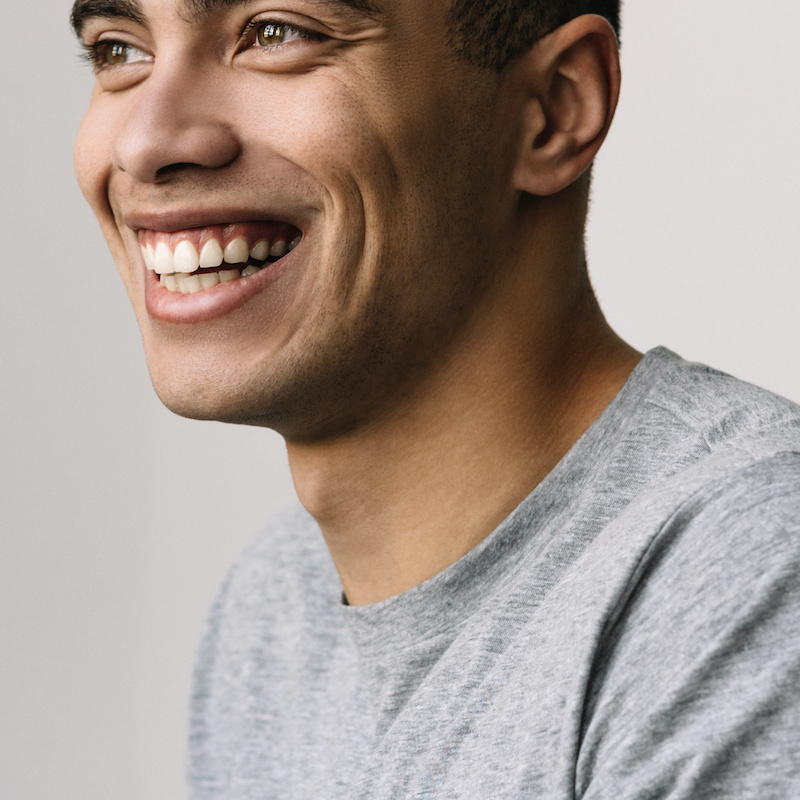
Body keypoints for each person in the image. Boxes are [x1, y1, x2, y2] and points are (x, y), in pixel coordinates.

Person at [71, 0, 800, 796]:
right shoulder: (274, 609)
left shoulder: (750, 573)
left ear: (555, 108)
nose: (145, 142)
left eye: (278, 33)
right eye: (117, 49)